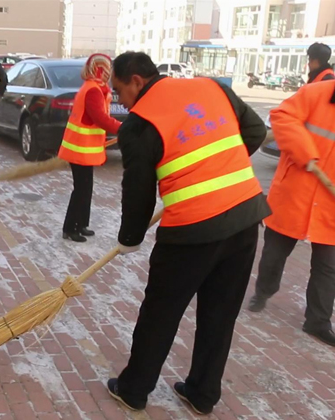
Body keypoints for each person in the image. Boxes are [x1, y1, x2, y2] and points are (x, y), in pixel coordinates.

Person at [105, 52, 269, 415]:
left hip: (191, 231)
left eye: (119, 91)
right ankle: (202, 393)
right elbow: (256, 131)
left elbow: (139, 193)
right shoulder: (212, 87)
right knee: (220, 313)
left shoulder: (139, 124)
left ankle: (133, 389)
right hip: (245, 216)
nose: (121, 100)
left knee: (161, 312)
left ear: (136, 81)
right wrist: (219, 169)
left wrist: (129, 238)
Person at [247, 81, 335, 345]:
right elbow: (282, 116)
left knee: (328, 267)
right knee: (274, 255)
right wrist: (305, 153)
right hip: (295, 194)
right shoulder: (314, 93)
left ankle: (318, 321)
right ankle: (264, 291)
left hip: (330, 205)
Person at [58, 54, 121, 243]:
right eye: (106, 69)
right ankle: (71, 228)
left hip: (84, 148)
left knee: (86, 187)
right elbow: (99, 118)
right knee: (81, 189)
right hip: (80, 149)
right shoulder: (93, 90)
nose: (109, 73)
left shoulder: (95, 88)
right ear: (100, 70)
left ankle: (82, 223)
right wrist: (122, 128)